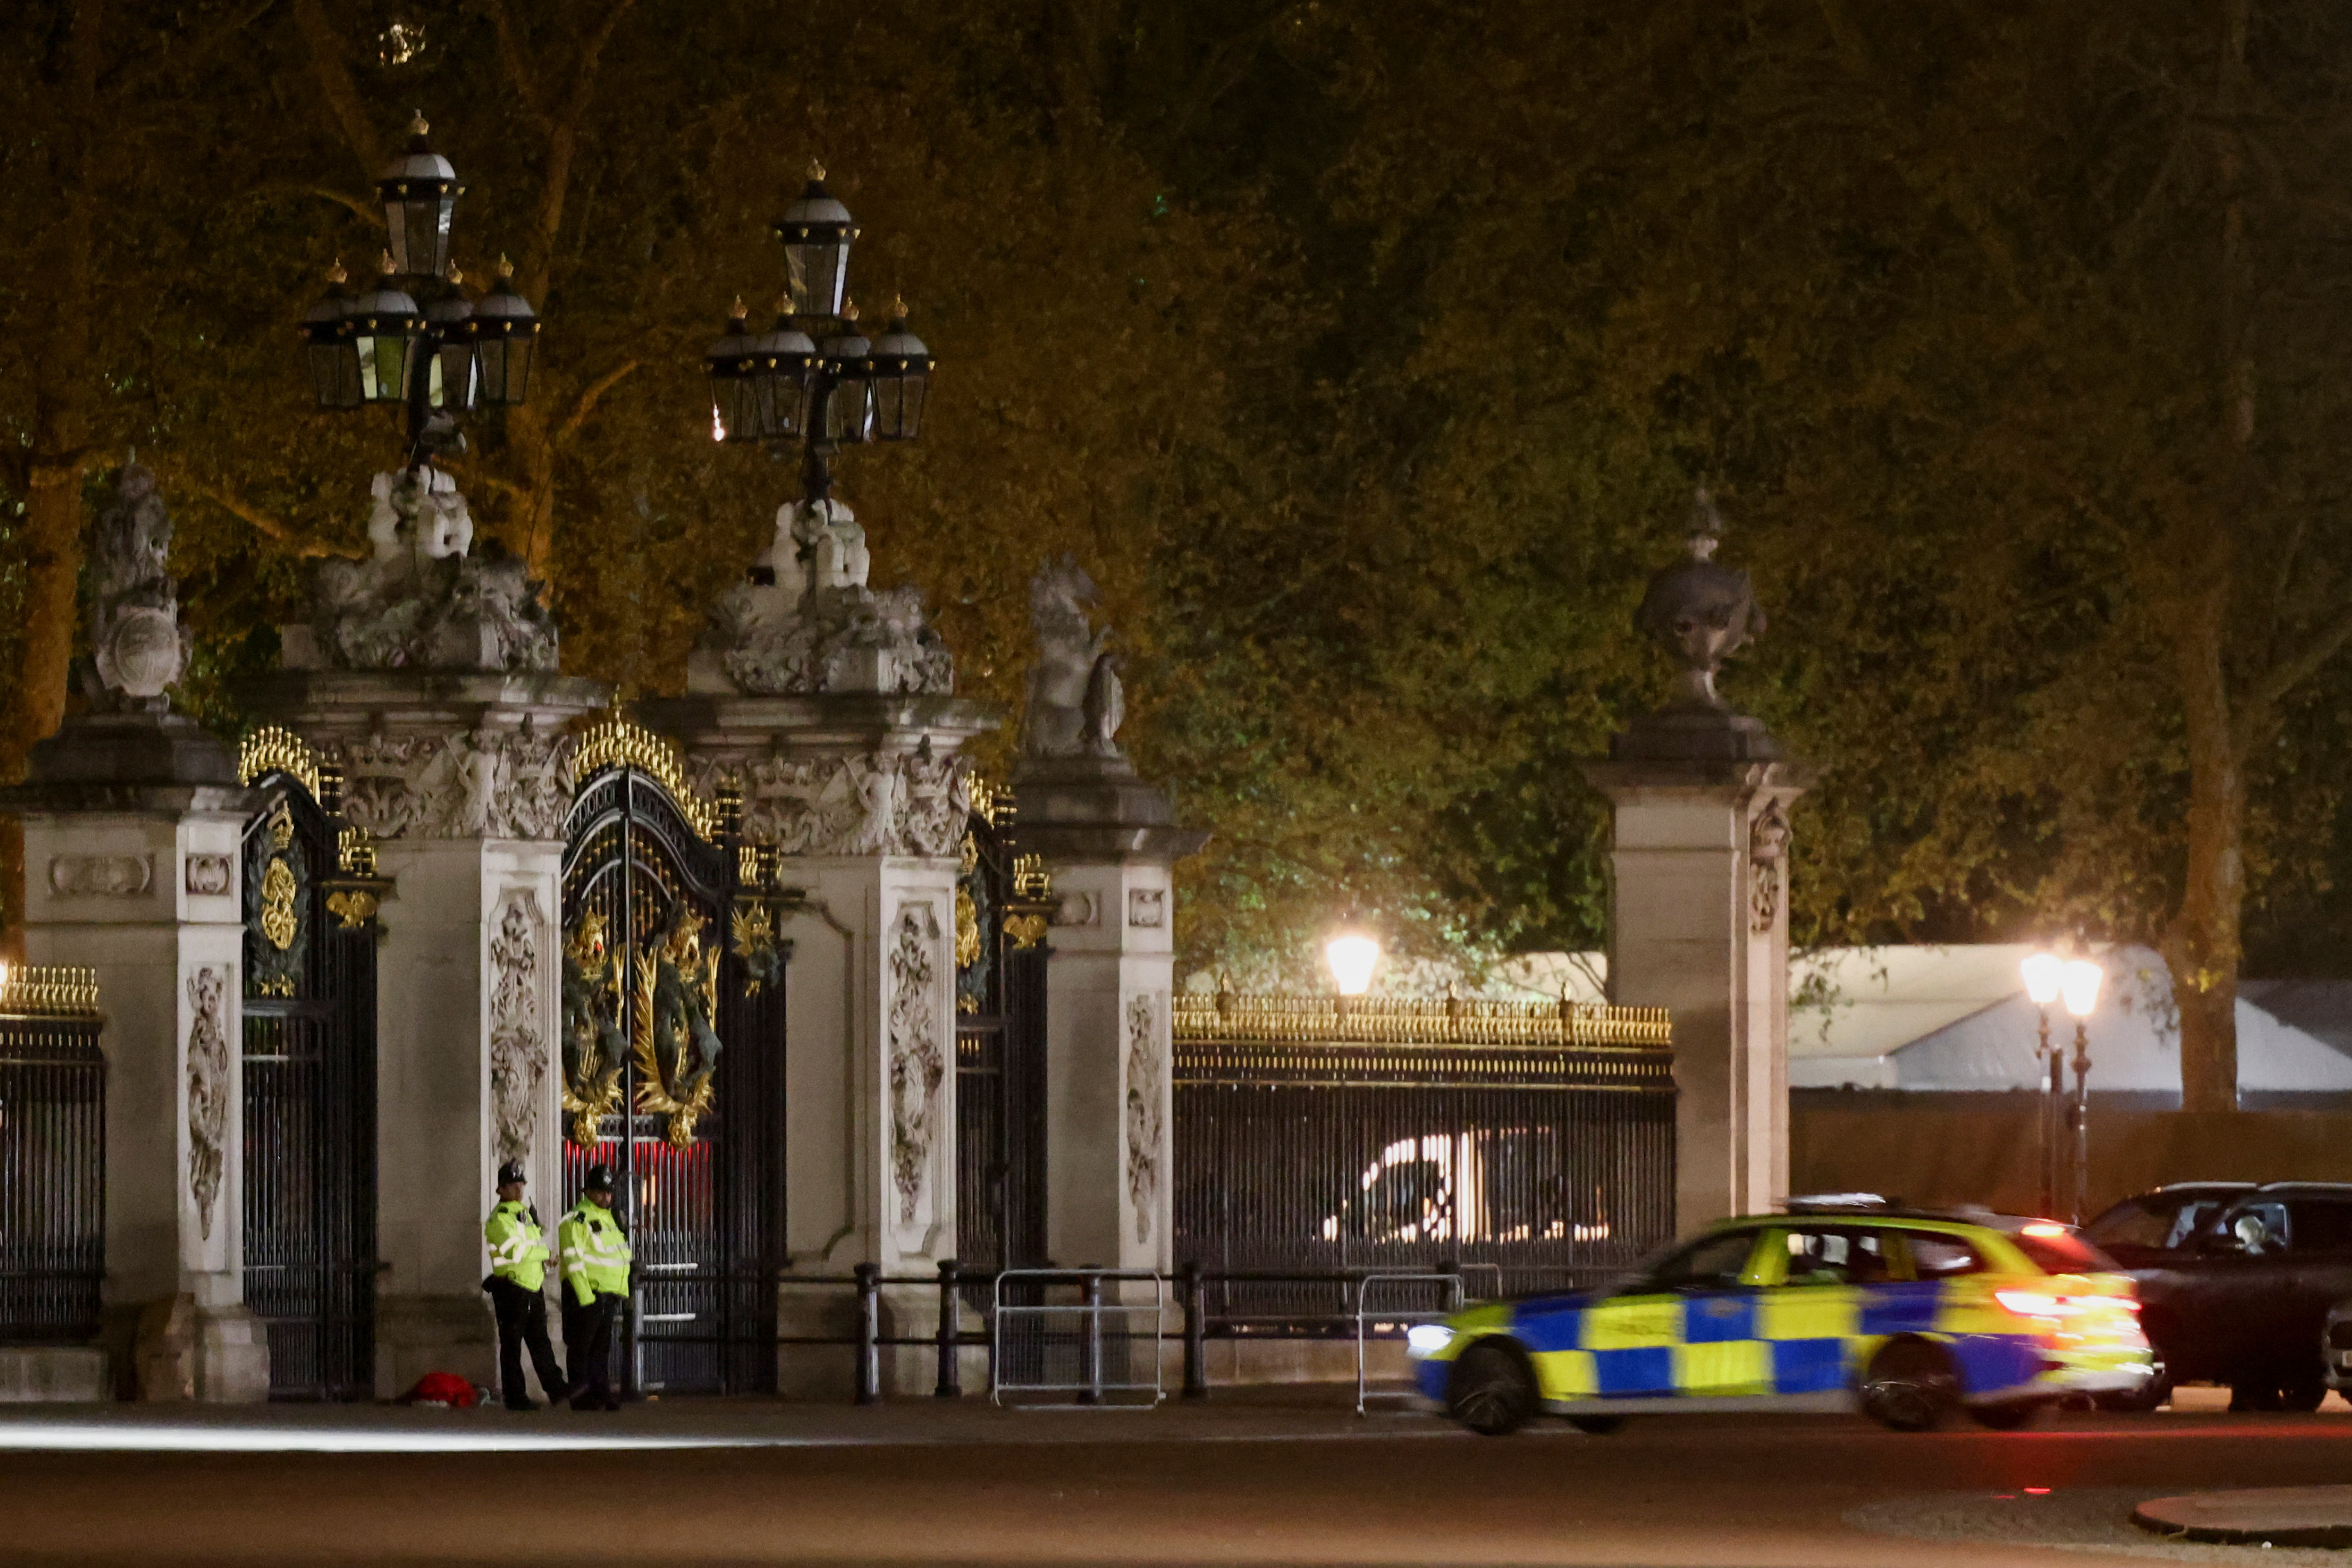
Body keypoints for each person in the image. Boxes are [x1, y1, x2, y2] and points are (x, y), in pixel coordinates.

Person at [481, 1159, 565, 1411]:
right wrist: (544, 1254)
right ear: (501, 1190)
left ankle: (558, 1389)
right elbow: (516, 1252)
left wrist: (545, 1257)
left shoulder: (524, 1214)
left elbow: (534, 1244)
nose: (519, 1190)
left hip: (531, 1287)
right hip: (511, 1288)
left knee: (541, 1343)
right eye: (513, 1185)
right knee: (512, 1346)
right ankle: (515, 1396)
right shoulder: (499, 1220)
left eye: (521, 1184)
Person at [558, 1163, 633, 1411]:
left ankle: (601, 1391)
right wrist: (586, 1297)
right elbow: (573, 1260)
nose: (607, 1197)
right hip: (587, 1293)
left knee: (601, 1349)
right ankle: (581, 1396)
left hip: (608, 1294)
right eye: (601, 1192)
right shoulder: (577, 1219)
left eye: (609, 1192)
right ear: (588, 1192)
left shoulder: (609, 1218)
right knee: (582, 1347)